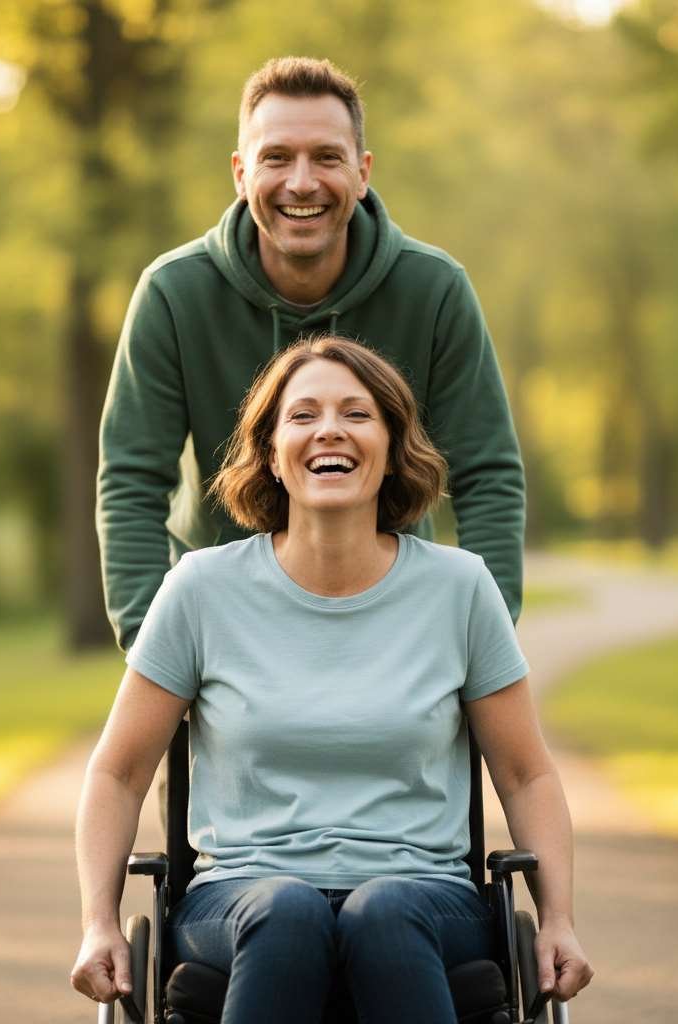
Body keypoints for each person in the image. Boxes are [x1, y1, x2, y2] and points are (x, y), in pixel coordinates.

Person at [73, 337, 592, 1022]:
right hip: (239, 895)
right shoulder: (201, 589)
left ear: (392, 447)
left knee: (384, 911)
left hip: (424, 895)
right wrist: (98, 923)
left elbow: (527, 774)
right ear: (270, 453)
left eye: (356, 413)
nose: (329, 430)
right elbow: (117, 773)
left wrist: (557, 920)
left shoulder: (459, 588)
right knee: (287, 911)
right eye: (303, 414)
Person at [97, 56, 526, 672]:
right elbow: (132, 483)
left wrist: (481, 649)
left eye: (327, 157)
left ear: (362, 172)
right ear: (241, 173)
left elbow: (488, 477)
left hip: (398, 635)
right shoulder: (173, 294)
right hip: (223, 638)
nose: (301, 183)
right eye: (276, 157)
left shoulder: (435, 290)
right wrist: (155, 654)